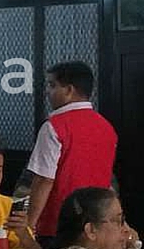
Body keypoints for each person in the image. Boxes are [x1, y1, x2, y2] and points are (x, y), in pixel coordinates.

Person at [26, 61, 118, 239]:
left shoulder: (54, 127)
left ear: (69, 90)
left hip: (58, 222)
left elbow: (44, 179)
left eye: (52, 85)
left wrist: (30, 224)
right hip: (96, 223)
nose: (47, 92)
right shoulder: (107, 128)